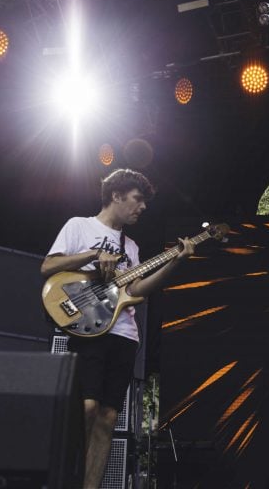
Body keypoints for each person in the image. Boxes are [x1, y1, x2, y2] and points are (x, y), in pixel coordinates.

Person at [41, 168, 194, 488]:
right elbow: (48, 266)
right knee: (87, 407)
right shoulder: (79, 226)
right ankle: (63, 479)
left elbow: (136, 291)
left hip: (123, 334)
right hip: (88, 329)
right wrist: (94, 254)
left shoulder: (132, 247)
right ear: (116, 195)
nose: (143, 207)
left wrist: (175, 262)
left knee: (108, 419)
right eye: (138, 199)